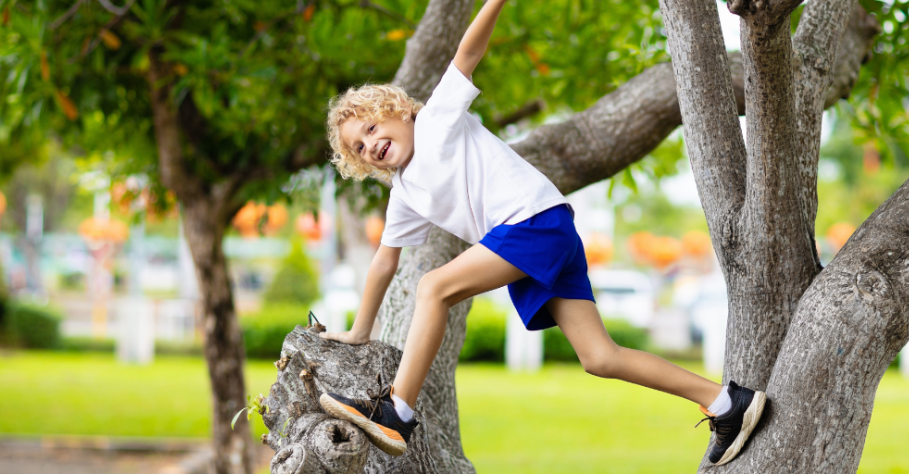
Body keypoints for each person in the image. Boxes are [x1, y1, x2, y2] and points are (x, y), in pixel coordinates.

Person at [319, 0, 765, 465]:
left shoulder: (435, 121)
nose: (370, 144)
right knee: (599, 358)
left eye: (372, 127)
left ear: (400, 113)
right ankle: (728, 403)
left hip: (535, 223)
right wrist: (359, 330)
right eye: (359, 147)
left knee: (433, 287)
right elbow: (384, 262)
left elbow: (467, 54)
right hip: (535, 241)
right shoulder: (405, 194)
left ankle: (398, 412)